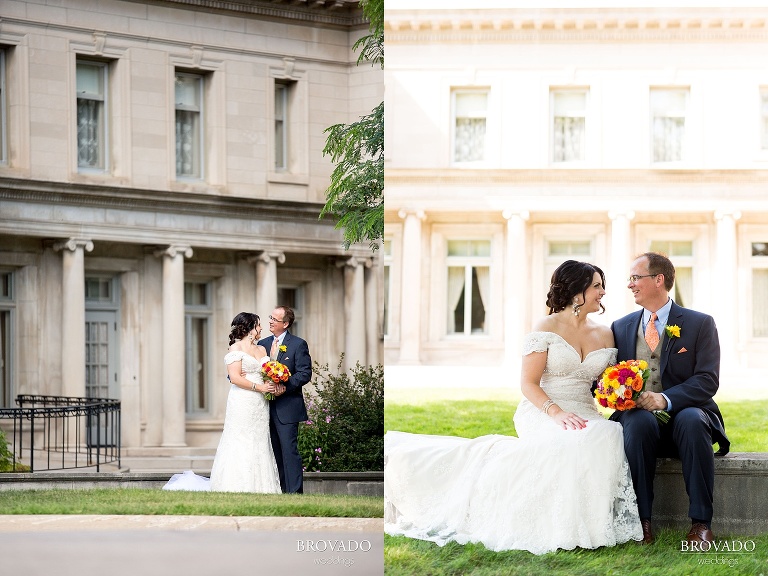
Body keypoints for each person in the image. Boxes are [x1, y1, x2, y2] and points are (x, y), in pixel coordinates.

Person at [385, 260, 643, 555]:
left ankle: (592, 524)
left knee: (608, 433)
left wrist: (619, 390)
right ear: (576, 292)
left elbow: (600, 386)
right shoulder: (545, 328)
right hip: (543, 409)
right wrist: (556, 413)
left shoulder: (605, 334)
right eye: (597, 286)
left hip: (584, 410)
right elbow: (529, 383)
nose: (602, 292)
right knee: (574, 441)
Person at [611, 252, 729, 546]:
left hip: (685, 416)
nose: (630, 285)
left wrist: (665, 399)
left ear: (659, 280)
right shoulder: (620, 327)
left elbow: (707, 380)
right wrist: (619, 395)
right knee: (636, 424)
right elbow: (609, 378)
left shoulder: (700, 323)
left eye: (636, 278)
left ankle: (701, 523)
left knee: (691, 419)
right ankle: (642, 523)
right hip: (640, 421)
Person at [163, 312, 283, 493]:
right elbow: (235, 378)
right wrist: (260, 388)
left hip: (260, 404)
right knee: (239, 439)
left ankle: (262, 487)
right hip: (243, 400)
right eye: (258, 325)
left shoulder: (262, 350)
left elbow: (265, 372)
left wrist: (272, 383)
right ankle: (234, 485)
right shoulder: (235, 349)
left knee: (259, 440)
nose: (261, 329)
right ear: (250, 327)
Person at [258, 305, 312, 493]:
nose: (271, 322)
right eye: (270, 318)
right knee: (273, 454)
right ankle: (280, 491)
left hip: (287, 408)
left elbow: (305, 373)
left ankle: (295, 493)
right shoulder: (262, 344)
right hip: (264, 407)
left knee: (289, 452)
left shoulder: (298, 344)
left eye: (275, 319)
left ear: (286, 323)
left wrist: (284, 387)